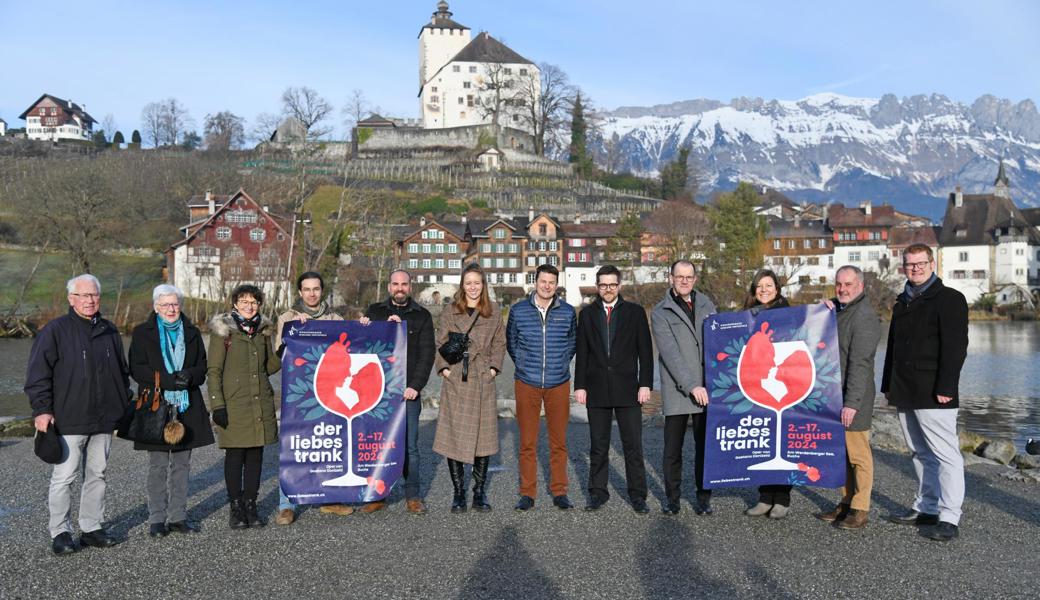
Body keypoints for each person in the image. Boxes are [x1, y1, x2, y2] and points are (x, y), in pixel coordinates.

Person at [25, 274, 130, 555]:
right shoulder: (55, 331)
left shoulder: (109, 330)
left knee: (98, 474)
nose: (89, 300)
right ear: (71, 299)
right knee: (64, 476)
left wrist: (122, 406)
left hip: (103, 418)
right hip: (69, 417)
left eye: (94, 295)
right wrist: (42, 410)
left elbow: (121, 372)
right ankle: (60, 532)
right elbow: (38, 374)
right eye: (83, 295)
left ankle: (91, 527)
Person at [882, 244, 968, 542]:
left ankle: (949, 517)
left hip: (935, 392)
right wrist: (888, 385)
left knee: (946, 455)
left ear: (932, 264)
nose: (915, 268)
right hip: (904, 388)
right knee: (919, 452)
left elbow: (956, 348)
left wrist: (946, 387)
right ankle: (927, 508)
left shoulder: (950, 299)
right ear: (903, 267)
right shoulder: (902, 300)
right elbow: (893, 347)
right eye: (909, 264)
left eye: (920, 263)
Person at [128, 284, 215, 538]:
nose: (170, 309)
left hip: (186, 403)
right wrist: (166, 380)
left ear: (180, 306)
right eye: (165, 305)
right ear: (156, 307)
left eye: (175, 304)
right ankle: (156, 518)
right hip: (156, 403)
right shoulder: (142, 333)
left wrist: (189, 376)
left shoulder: (192, 332)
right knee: (157, 465)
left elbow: (202, 366)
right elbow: (136, 368)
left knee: (181, 464)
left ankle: (178, 517)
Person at [272, 271, 352, 525]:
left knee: (329, 444)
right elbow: (279, 352)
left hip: (331, 391)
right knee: (294, 445)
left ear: (322, 290)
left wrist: (364, 326)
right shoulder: (287, 317)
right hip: (300, 393)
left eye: (316, 289)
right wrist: (296, 330)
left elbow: (348, 349)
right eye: (306, 289)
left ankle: (330, 498)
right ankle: (287, 503)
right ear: (299, 292)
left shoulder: (335, 318)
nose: (312, 293)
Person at [574, 265, 653, 514]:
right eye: (603, 285)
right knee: (598, 445)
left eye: (612, 285)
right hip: (597, 388)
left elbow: (646, 352)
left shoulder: (635, 312)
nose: (607, 289)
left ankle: (638, 495)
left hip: (629, 389)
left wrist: (645, 384)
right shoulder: (586, 315)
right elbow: (583, 352)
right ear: (597, 287)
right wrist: (580, 386)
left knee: (633, 445)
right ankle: (597, 493)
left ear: (619, 286)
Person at [433, 263, 506, 513]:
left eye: (477, 282)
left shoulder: (494, 311)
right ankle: (458, 492)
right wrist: (444, 369)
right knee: (455, 436)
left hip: (482, 377)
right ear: (462, 286)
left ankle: (479, 491)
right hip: (457, 379)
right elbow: (440, 341)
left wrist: (494, 369)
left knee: (483, 438)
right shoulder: (450, 311)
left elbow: (499, 342)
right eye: (468, 283)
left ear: (483, 285)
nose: (473, 287)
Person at [361, 269, 436, 515]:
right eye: (396, 284)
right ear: (389, 287)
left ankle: (412, 494)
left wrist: (415, 386)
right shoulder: (374, 312)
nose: (400, 288)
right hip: (377, 394)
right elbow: (362, 348)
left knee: (410, 447)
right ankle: (378, 494)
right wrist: (364, 327)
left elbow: (427, 355)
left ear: (410, 287)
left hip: (408, 393)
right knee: (378, 444)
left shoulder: (422, 316)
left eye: (404, 284)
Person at [207, 284, 280, 529]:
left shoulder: (262, 331)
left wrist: (283, 352)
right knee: (235, 455)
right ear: (235, 304)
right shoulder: (223, 332)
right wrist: (217, 405)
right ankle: (235, 507)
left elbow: (268, 367)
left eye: (254, 302)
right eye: (244, 301)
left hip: (259, 401)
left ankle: (251, 504)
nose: (250, 306)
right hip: (234, 403)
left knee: (255, 455)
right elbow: (214, 371)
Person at [506, 264, 577, 511]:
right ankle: (527, 493)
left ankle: (559, 491)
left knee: (558, 441)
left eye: (551, 282)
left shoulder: (567, 312)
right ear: (535, 282)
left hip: (558, 382)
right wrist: (526, 365)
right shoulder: (518, 311)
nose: (547, 286)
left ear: (556, 285)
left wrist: (557, 364)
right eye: (542, 281)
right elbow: (512, 343)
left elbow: (572, 343)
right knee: (527, 442)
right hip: (527, 382)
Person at [815, 266, 882, 530]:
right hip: (834, 395)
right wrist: (824, 307)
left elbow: (860, 364)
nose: (843, 289)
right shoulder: (840, 309)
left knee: (858, 455)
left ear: (861, 287)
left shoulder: (864, 318)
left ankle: (860, 509)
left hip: (855, 398)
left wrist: (852, 404)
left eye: (849, 284)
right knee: (841, 454)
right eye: (839, 284)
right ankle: (846, 501)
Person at [651, 260, 716, 516]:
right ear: (671, 278)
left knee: (705, 448)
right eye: (680, 277)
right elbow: (671, 355)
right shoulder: (660, 312)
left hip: (707, 389)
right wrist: (691, 386)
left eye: (689, 277)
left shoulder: (707, 305)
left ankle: (703, 498)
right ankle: (673, 499)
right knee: (672, 450)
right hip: (680, 391)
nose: (684, 281)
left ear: (695, 279)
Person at [742, 269, 796, 519]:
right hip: (757, 381)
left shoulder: (790, 313)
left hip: (782, 379)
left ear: (777, 288)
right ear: (754, 290)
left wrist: (827, 309)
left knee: (782, 440)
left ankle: (782, 498)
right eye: (759, 286)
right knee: (763, 441)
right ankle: (764, 497)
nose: (764, 290)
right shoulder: (747, 316)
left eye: (769, 285)